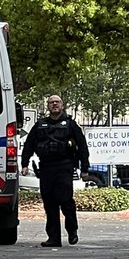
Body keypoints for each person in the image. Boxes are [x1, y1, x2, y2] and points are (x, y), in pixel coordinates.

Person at [20, 95, 90, 248]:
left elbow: (83, 147)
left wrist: (84, 168)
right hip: (46, 167)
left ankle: (72, 230)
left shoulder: (71, 125)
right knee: (49, 204)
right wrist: (24, 164)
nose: (54, 104)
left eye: (57, 102)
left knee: (66, 201)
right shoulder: (40, 125)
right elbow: (29, 145)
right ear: (48, 106)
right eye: (51, 103)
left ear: (62, 105)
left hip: (64, 166)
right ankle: (54, 238)